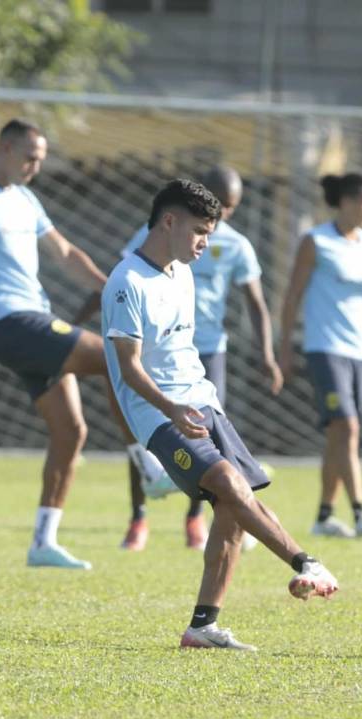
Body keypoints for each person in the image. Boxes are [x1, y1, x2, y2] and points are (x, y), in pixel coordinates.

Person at [103, 179, 338, 651]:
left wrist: (201, 404)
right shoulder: (127, 282)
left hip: (203, 401)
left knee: (234, 508)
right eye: (199, 232)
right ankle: (305, 562)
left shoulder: (181, 273)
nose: (206, 243)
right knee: (230, 484)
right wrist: (170, 407)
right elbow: (128, 370)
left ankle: (203, 627)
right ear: (169, 222)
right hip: (159, 414)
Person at [0, 118, 176, 571]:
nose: (35, 167)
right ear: (5, 148)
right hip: (10, 323)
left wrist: (113, 290)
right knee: (114, 356)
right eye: (30, 157)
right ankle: (148, 467)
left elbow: (65, 254)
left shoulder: (25, 199)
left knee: (71, 432)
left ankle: (43, 543)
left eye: (41, 160)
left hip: (36, 319)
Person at [118, 165, 280, 552]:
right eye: (219, 202)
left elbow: (255, 302)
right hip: (158, 350)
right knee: (147, 431)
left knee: (203, 436)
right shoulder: (163, 232)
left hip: (208, 350)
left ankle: (195, 519)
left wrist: (268, 353)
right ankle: (138, 519)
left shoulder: (236, 245)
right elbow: (124, 277)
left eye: (231, 206)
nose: (224, 212)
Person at [279, 173, 362, 540]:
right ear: (344, 202)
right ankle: (360, 512)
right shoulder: (316, 241)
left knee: (338, 436)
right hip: (324, 348)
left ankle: (325, 516)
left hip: (360, 350)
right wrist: (284, 348)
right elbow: (292, 296)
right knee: (348, 428)